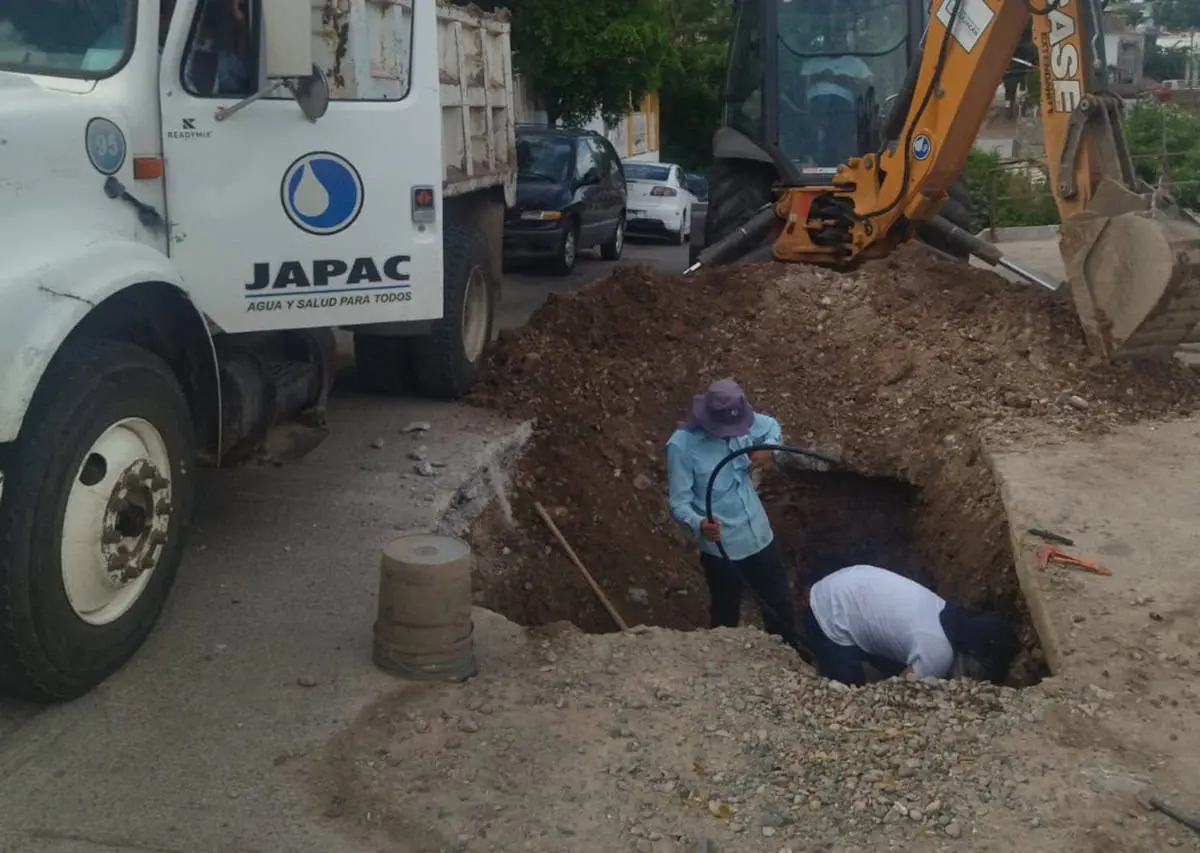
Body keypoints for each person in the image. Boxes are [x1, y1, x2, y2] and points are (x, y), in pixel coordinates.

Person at [666, 379, 795, 640]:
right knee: (726, 616)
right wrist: (699, 523)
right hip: (723, 549)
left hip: (760, 535)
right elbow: (679, 502)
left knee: (780, 607)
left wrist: (768, 449)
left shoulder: (743, 419)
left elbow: (772, 427)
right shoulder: (682, 446)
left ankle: (793, 661)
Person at [804, 564, 1021, 686]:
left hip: (847, 585)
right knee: (849, 691)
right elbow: (900, 692)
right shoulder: (938, 653)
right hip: (831, 611)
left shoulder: (946, 614)